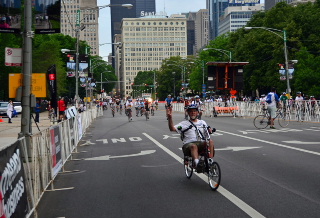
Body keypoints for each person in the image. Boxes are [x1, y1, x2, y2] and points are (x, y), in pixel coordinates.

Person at [167, 104, 215, 172]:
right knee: (193, 146)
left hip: (201, 143)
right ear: (188, 113)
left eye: (194, 111)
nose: (193, 113)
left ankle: (210, 160)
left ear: (197, 112)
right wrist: (170, 118)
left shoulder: (202, 122)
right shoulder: (184, 124)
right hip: (189, 145)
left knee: (211, 141)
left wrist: (210, 130)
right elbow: (172, 128)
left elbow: (207, 131)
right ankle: (197, 164)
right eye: (191, 111)